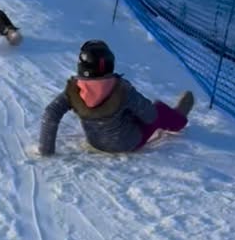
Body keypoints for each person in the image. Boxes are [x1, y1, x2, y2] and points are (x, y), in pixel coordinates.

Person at [38, 40, 194, 156]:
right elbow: (150, 116)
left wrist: (46, 149)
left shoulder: (73, 90)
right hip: (128, 143)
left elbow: (50, 113)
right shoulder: (121, 89)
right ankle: (178, 119)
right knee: (159, 110)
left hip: (96, 142)